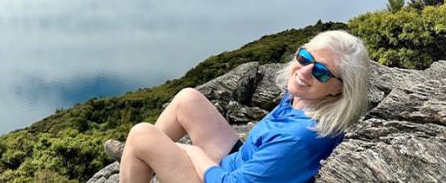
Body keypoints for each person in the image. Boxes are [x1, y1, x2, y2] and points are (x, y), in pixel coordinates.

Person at [103, 30, 371, 183]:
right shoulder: (304, 99)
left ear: (340, 88)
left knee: (142, 134)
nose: (304, 71)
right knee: (187, 99)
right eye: (304, 57)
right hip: (239, 164)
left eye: (322, 72)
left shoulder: (300, 138)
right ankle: (139, 161)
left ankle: (138, 157)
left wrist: (193, 154)